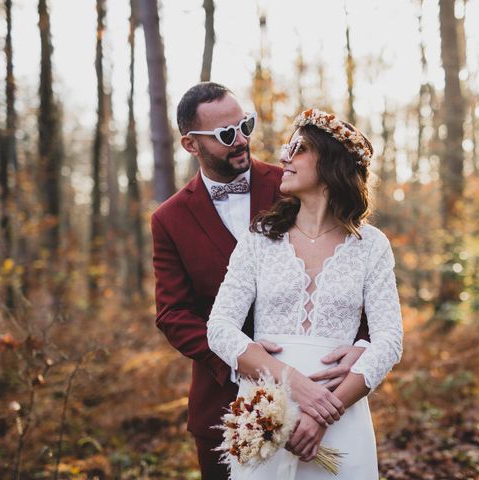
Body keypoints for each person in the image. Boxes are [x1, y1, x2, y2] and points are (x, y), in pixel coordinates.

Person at [151, 83, 371, 480]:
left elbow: (352, 266)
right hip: (225, 404)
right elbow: (172, 313)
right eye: (225, 135)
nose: (241, 141)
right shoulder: (169, 219)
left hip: (321, 390)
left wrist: (363, 344)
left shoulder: (295, 182)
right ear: (190, 144)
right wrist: (243, 359)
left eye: (245, 125)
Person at [207, 108, 404, 479]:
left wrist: (323, 412)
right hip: (265, 413)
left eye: (298, 148)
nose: (284, 156)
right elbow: (219, 327)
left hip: (341, 417)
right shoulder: (260, 238)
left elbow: (389, 340)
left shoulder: (371, 246)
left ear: (330, 163)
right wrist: (292, 383)